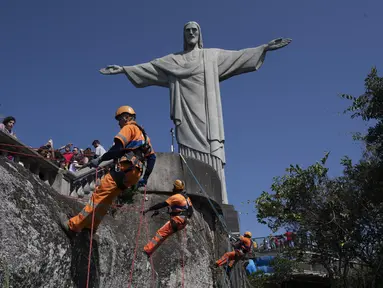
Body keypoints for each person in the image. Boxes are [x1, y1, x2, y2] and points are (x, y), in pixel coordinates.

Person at [58, 105, 156, 237]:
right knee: (107, 200)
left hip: (124, 168)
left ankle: (73, 226)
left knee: (98, 196)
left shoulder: (129, 128)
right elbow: (152, 158)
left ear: (126, 117)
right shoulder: (145, 136)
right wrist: (145, 177)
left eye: (119, 120)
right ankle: (91, 228)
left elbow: (117, 149)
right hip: (134, 174)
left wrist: (100, 160)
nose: (118, 123)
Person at [142, 179, 193, 257]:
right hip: (183, 222)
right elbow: (190, 212)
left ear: (177, 188)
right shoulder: (187, 198)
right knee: (163, 236)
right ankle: (150, 251)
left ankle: (147, 251)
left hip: (177, 220)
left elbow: (162, 204)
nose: (172, 188)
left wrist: (149, 209)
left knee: (160, 234)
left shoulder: (176, 197)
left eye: (174, 187)